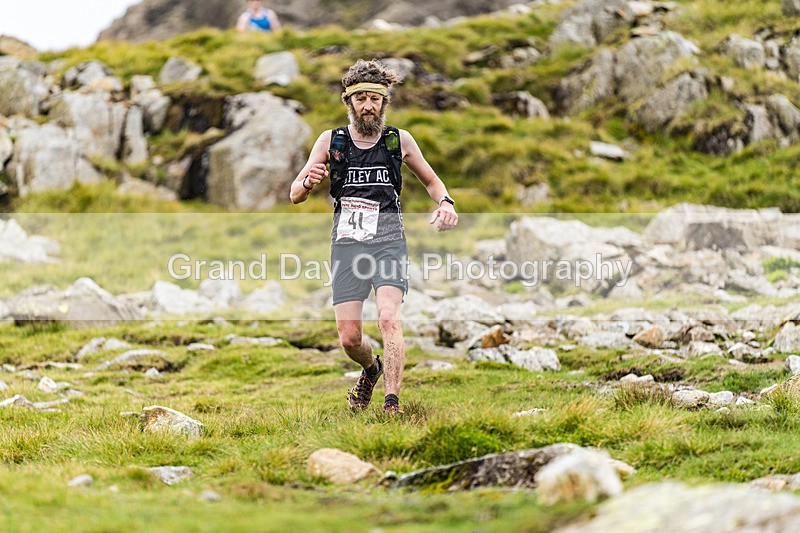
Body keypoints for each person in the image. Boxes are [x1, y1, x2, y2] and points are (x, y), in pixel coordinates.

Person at [290, 59, 458, 414]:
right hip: (347, 247)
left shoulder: (398, 140)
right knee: (350, 338)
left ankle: (391, 403)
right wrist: (307, 182)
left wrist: (445, 202)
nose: (368, 106)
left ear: (384, 102)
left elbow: (432, 181)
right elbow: (295, 194)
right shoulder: (331, 140)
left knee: (388, 318)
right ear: (349, 102)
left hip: (388, 243)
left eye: (375, 99)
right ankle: (370, 369)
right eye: (361, 99)